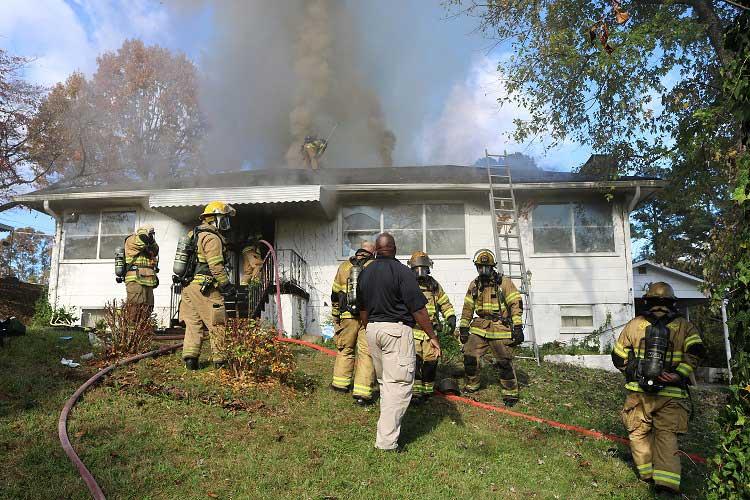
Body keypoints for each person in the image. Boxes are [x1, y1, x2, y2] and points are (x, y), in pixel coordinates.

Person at [611, 282, 705, 494]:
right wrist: (678, 374)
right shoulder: (684, 326)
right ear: (673, 303)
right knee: (666, 436)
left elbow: (618, 356)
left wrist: (633, 370)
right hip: (672, 393)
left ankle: (646, 474)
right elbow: (697, 351)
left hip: (639, 393)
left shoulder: (635, 325)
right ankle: (667, 485)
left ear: (648, 301)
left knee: (638, 432)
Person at [357, 233, 441, 451]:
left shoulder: (364, 272)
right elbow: (418, 309)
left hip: (373, 329)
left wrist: (369, 329)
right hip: (395, 331)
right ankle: (386, 443)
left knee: (385, 382)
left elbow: (362, 308)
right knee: (400, 385)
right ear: (394, 249)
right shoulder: (403, 272)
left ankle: (386, 429)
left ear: (376, 250)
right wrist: (432, 336)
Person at [458, 248, 524, 406]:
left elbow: (515, 304)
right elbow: (467, 308)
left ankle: (510, 392)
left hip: (500, 327)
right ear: (477, 267)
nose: (483, 270)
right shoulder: (474, 285)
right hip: (480, 326)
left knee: (504, 361)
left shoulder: (504, 283)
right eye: (480, 267)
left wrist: (517, 327)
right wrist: (463, 327)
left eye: (486, 267)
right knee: (469, 355)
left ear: (493, 267)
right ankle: (472, 384)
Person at [180, 201, 236, 370]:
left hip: (188, 287)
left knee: (193, 324)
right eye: (224, 219)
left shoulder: (193, 234)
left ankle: (191, 360)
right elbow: (216, 266)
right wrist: (226, 285)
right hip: (206, 288)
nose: (226, 224)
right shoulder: (212, 238)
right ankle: (220, 362)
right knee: (217, 323)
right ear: (213, 219)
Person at [330, 241, 376, 405]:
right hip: (368, 317)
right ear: (373, 252)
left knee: (345, 349)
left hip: (347, 316)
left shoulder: (343, 267)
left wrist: (336, 315)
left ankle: (340, 384)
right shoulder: (375, 266)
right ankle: (362, 393)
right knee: (366, 353)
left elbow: (335, 294)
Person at [406, 251, 455, 403]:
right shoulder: (406, 284)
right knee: (414, 362)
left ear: (428, 268)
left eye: (423, 268)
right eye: (417, 269)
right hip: (413, 331)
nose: (420, 272)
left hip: (430, 334)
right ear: (411, 269)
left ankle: (427, 392)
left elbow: (445, 303)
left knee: (431, 363)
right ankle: (415, 394)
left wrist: (451, 316)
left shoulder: (434, 285)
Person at [123, 224, 159, 311]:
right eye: (150, 233)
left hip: (148, 280)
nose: (151, 235)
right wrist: (145, 232)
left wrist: (151, 238)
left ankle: (144, 325)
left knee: (148, 308)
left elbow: (155, 249)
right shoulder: (131, 239)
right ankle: (131, 325)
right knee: (135, 308)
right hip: (135, 279)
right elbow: (141, 240)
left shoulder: (150, 244)